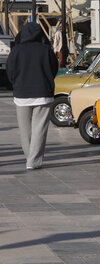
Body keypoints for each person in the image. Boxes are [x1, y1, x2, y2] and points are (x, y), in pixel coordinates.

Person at [8, 22, 58, 170]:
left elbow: (10, 72)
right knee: (39, 129)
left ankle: (29, 157)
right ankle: (33, 161)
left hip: (22, 95)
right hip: (43, 93)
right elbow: (54, 69)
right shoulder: (46, 50)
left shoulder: (16, 50)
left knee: (25, 130)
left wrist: (17, 84)